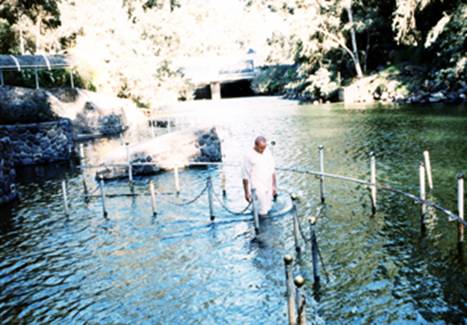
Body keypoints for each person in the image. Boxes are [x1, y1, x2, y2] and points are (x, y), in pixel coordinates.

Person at [242, 136, 277, 216]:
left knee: (268, 208)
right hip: (257, 186)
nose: (262, 150)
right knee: (262, 211)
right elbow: (245, 176)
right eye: (261, 148)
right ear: (255, 145)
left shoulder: (267, 152)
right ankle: (260, 226)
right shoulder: (248, 155)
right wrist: (246, 192)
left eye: (264, 148)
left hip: (268, 184)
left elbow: (272, 170)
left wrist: (274, 186)